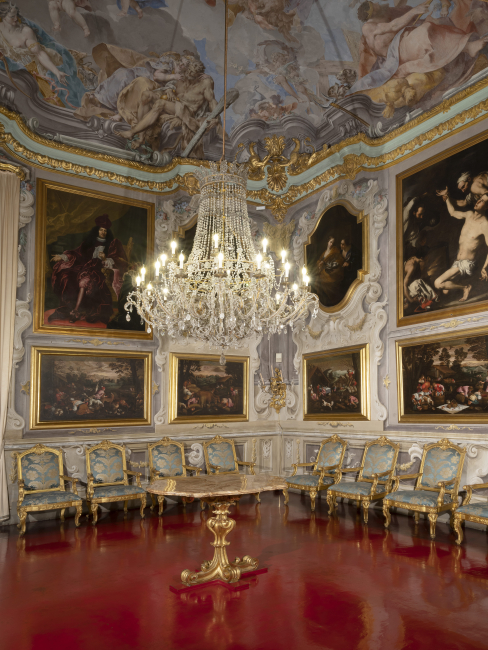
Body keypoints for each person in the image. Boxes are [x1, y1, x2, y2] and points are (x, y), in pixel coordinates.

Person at [351, 0, 488, 117]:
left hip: (400, 46)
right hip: (396, 55)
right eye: (375, 4)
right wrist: (414, 11)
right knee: (424, 32)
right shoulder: (367, 27)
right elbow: (393, 25)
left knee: (428, 28)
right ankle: (468, 47)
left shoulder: (381, 19)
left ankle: (466, 46)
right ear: (372, 10)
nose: (379, 4)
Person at [49, 214, 128, 325]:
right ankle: (69, 308)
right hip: (82, 268)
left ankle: (76, 311)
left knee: (84, 281)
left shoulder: (111, 244)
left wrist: (105, 259)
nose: (103, 232)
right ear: (97, 230)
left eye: (105, 230)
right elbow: (76, 254)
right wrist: (62, 257)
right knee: (66, 276)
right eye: (101, 230)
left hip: (97, 271)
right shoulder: (88, 243)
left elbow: (118, 261)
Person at [434, 191, 488, 301]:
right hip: (457, 262)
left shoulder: (484, 224)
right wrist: (447, 197)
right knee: (445, 290)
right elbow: (453, 213)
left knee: (438, 283)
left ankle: (466, 287)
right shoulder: (469, 214)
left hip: (467, 264)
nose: (478, 201)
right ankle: (465, 284)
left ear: (486, 207)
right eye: (479, 199)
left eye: (482, 201)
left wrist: (484, 267)